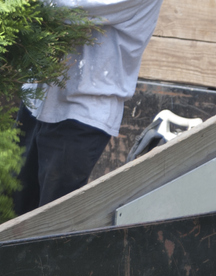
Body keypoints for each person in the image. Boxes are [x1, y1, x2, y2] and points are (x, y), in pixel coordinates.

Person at [13, 0, 165, 215]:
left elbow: (71, 7)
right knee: (10, 206)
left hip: (83, 112)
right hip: (37, 97)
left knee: (50, 220)